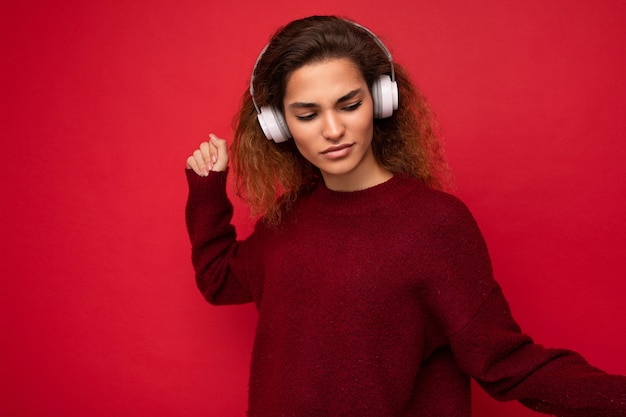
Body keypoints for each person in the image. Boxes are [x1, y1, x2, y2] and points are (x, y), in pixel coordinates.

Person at [184, 15, 625, 417]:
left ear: (380, 101)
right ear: (279, 125)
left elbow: (506, 363)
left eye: (349, 105)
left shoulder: (435, 225)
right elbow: (219, 280)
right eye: (308, 114)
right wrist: (208, 190)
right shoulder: (287, 220)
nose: (333, 130)